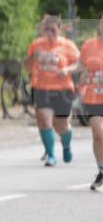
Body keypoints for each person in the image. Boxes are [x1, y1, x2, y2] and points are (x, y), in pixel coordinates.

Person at [25, 15, 80, 167]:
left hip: (63, 89)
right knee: (44, 118)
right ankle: (51, 155)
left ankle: (66, 144)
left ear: (59, 30)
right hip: (41, 88)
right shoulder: (37, 45)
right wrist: (32, 58)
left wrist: (67, 69)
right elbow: (28, 67)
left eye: (53, 30)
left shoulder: (68, 45)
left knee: (61, 124)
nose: (49, 33)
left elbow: (80, 64)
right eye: (46, 29)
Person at [78, 13, 103, 190]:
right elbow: (80, 66)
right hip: (94, 95)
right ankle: (101, 170)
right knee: (98, 133)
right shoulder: (89, 45)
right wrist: (67, 70)